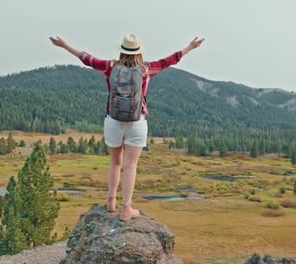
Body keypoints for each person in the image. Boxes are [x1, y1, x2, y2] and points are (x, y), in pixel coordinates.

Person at [50, 33, 204, 221]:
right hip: (137, 121)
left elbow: (86, 58)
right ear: (138, 52)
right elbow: (168, 61)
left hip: (113, 120)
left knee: (115, 162)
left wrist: (65, 45)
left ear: (122, 51)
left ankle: (110, 201)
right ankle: (126, 209)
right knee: (130, 166)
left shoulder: (110, 67)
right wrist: (190, 47)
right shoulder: (146, 69)